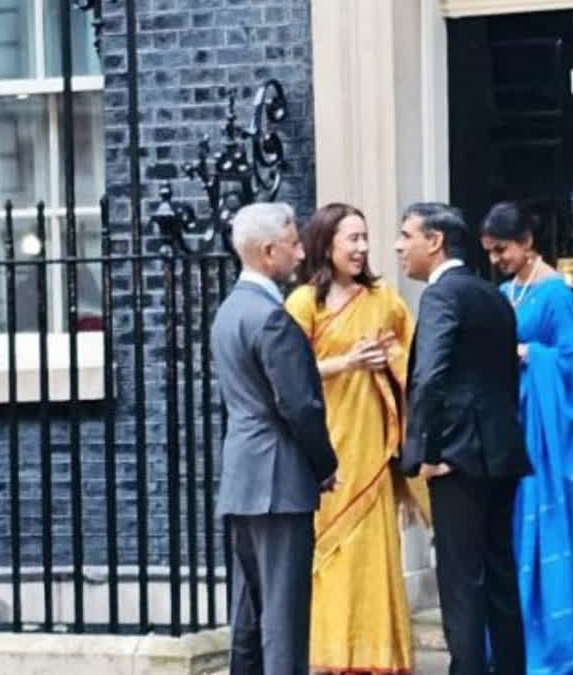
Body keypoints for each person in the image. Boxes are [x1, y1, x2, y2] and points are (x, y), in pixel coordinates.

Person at [284, 203, 431, 674]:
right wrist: (346, 362)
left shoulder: (384, 298)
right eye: (353, 239)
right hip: (325, 449)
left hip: (372, 445)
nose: (363, 248)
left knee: (371, 553)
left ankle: (376, 657)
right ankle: (329, 657)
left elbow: (416, 362)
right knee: (329, 552)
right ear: (327, 244)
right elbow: (290, 374)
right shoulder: (303, 303)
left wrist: (389, 358)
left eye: (365, 238)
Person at [395, 202, 531, 675]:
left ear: (435, 242)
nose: (398, 245)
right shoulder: (493, 295)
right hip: (501, 452)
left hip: (458, 458)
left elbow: (430, 379)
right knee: (499, 576)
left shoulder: (440, 297)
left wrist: (425, 453)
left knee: (460, 583)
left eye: (406, 234)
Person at [480, 201, 573, 674]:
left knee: (544, 533)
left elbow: (571, 361)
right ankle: (510, 645)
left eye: (504, 249)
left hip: (547, 439)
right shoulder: (505, 291)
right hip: (512, 427)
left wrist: (529, 355)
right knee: (509, 537)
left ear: (527, 242)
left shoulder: (555, 294)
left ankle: (548, 651)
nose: (497, 259)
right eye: (492, 251)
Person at [211, 202, 339, 675]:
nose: (302, 252)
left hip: (243, 478)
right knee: (283, 619)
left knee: (248, 616)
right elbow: (300, 405)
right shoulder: (271, 317)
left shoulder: (229, 312)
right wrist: (325, 465)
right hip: (279, 483)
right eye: (293, 242)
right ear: (268, 252)